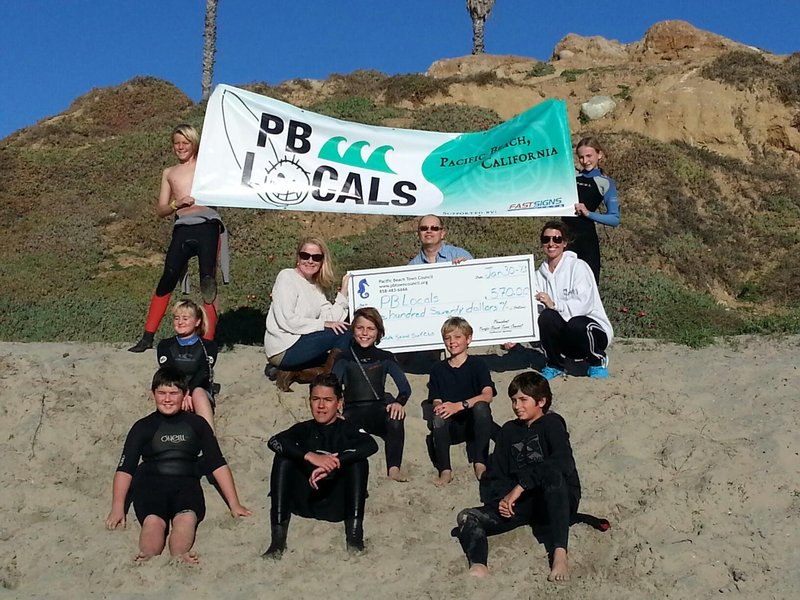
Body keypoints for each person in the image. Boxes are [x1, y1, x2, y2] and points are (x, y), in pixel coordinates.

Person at [105, 367, 251, 563]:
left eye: (174, 393)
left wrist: (234, 504)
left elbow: (217, 463)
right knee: (153, 522)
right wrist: (117, 507)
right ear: (152, 394)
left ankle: (180, 554)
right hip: (151, 485)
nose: (167, 399)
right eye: (161, 393)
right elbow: (125, 468)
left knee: (186, 520)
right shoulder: (142, 427)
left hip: (186, 486)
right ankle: (147, 553)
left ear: (185, 395)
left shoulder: (198, 425)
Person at [452, 371, 581, 581]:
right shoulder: (508, 431)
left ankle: (559, 554)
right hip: (522, 505)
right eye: (513, 400)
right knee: (467, 516)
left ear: (541, 401)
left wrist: (520, 487)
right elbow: (498, 473)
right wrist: (503, 499)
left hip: (556, 500)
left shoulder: (553, 423)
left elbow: (563, 462)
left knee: (552, 474)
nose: (517, 406)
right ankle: (478, 563)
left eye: (523, 400)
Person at [129, 124, 229, 352]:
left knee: (208, 282)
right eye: (177, 143)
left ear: (194, 144)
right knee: (168, 277)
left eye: (185, 142)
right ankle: (147, 337)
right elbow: (162, 209)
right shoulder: (169, 173)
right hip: (183, 227)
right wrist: (177, 203)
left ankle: (209, 342)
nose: (181, 147)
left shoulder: (206, 167)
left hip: (207, 225)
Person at [263, 373, 379, 558]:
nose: (321, 406)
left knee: (359, 463)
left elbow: (371, 445)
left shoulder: (348, 429)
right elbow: (274, 441)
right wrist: (310, 456)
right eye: (315, 399)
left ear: (339, 403)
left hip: (337, 503)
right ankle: (277, 540)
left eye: (328, 400)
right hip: (306, 499)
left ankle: (355, 538)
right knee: (282, 458)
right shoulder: (303, 428)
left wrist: (335, 462)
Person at [331, 307, 412, 482]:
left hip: (378, 411)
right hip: (352, 412)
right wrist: (337, 409)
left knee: (396, 418)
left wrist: (398, 403)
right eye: (360, 328)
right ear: (353, 330)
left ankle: (394, 468)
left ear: (378, 332)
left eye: (371, 328)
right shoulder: (344, 358)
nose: (365, 333)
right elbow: (332, 386)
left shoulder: (386, 357)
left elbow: (405, 388)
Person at [264, 237, 352, 391]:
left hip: (301, 341)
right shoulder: (287, 277)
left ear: (322, 261)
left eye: (316, 257)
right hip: (284, 347)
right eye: (305, 256)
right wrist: (322, 324)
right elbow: (288, 320)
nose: (310, 261)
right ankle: (329, 382)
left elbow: (332, 319)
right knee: (346, 334)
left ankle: (293, 372)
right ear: (298, 257)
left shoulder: (315, 286)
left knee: (344, 357)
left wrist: (343, 292)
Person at [534, 221, 613, 380]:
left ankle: (597, 361)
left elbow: (585, 304)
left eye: (557, 239)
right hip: (565, 340)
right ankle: (555, 364)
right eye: (546, 239)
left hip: (591, 331)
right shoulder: (537, 276)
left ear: (565, 243)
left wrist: (554, 305)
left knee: (577, 323)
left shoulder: (578, 267)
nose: (551, 243)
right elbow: (531, 310)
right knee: (547, 317)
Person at [423, 317, 496, 486]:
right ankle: (445, 470)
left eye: (457, 337)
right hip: (452, 428)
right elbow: (436, 398)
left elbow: (487, 395)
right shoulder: (438, 369)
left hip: (475, 423)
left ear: (468, 339)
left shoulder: (478, 364)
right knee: (439, 415)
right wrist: (440, 406)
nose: (452, 342)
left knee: (481, 408)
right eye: (447, 338)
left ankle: (480, 462)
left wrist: (459, 405)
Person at [562, 136, 619, 285]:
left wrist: (588, 214)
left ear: (599, 155)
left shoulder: (606, 183)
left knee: (588, 286)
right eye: (581, 157)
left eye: (589, 156)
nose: (585, 161)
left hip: (586, 240)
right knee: (561, 283)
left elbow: (614, 219)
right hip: (563, 238)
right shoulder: (572, 177)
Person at [156, 300, 217, 431]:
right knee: (168, 391)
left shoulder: (209, 346)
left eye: (185, 318)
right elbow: (168, 372)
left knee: (198, 393)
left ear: (197, 322)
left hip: (199, 390)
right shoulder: (165, 345)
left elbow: (203, 372)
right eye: (177, 318)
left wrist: (188, 393)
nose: (180, 322)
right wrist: (181, 393)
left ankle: (209, 439)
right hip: (175, 389)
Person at [408, 214, 473, 265]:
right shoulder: (412, 267)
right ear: (418, 233)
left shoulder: (460, 254)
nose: (429, 231)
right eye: (424, 228)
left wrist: (466, 266)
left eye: (434, 228)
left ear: (442, 233)